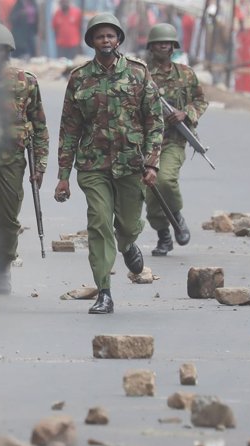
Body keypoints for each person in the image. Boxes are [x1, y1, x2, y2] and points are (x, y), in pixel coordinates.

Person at [54, 13, 163, 314]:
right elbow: (69, 129)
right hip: (93, 166)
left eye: (110, 36)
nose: (105, 41)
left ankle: (127, 245)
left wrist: (152, 164)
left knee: (127, 225)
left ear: (118, 39)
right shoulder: (79, 78)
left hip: (131, 165)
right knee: (99, 223)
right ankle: (104, 291)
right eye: (99, 36)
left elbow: (154, 122)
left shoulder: (139, 74)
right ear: (91, 41)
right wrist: (63, 175)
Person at [0, 23, 49, 294]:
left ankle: (2, 267)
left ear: (7, 51)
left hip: (13, 159)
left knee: (8, 217)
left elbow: (39, 125)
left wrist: (39, 165)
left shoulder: (25, 81)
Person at [145, 23, 208, 256]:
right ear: (151, 46)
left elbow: (201, 101)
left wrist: (186, 113)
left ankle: (177, 216)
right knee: (150, 191)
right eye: (159, 41)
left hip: (173, 140)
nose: (164, 45)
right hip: (144, 142)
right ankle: (163, 235)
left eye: (168, 42)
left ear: (173, 47)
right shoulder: (141, 73)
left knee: (166, 180)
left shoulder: (186, 74)